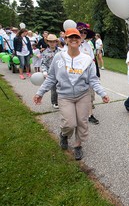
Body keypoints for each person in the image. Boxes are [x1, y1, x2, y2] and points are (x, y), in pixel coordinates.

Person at [33, 28, 109, 160]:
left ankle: (78, 145)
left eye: (76, 37)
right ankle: (64, 134)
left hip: (82, 95)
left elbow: (93, 79)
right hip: (65, 96)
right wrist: (40, 92)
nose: (74, 39)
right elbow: (51, 78)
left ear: (80, 40)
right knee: (69, 123)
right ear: (66, 40)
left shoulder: (86, 59)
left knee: (82, 122)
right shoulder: (59, 57)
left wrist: (102, 93)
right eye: (70, 37)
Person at [76, 22, 100, 125]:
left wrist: (94, 75)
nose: (83, 34)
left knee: (90, 96)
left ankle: (90, 115)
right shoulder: (73, 44)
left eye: (85, 32)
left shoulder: (87, 45)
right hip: (76, 76)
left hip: (88, 75)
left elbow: (92, 61)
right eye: (81, 32)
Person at [41, 34, 61, 109]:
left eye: (54, 41)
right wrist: (44, 71)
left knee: (62, 87)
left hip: (60, 72)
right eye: (50, 42)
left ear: (56, 42)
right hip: (51, 74)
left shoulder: (60, 51)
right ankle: (54, 102)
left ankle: (62, 101)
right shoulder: (45, 52)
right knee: (54, 89)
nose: (52, 43)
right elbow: (43, 63)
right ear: (48, 42)